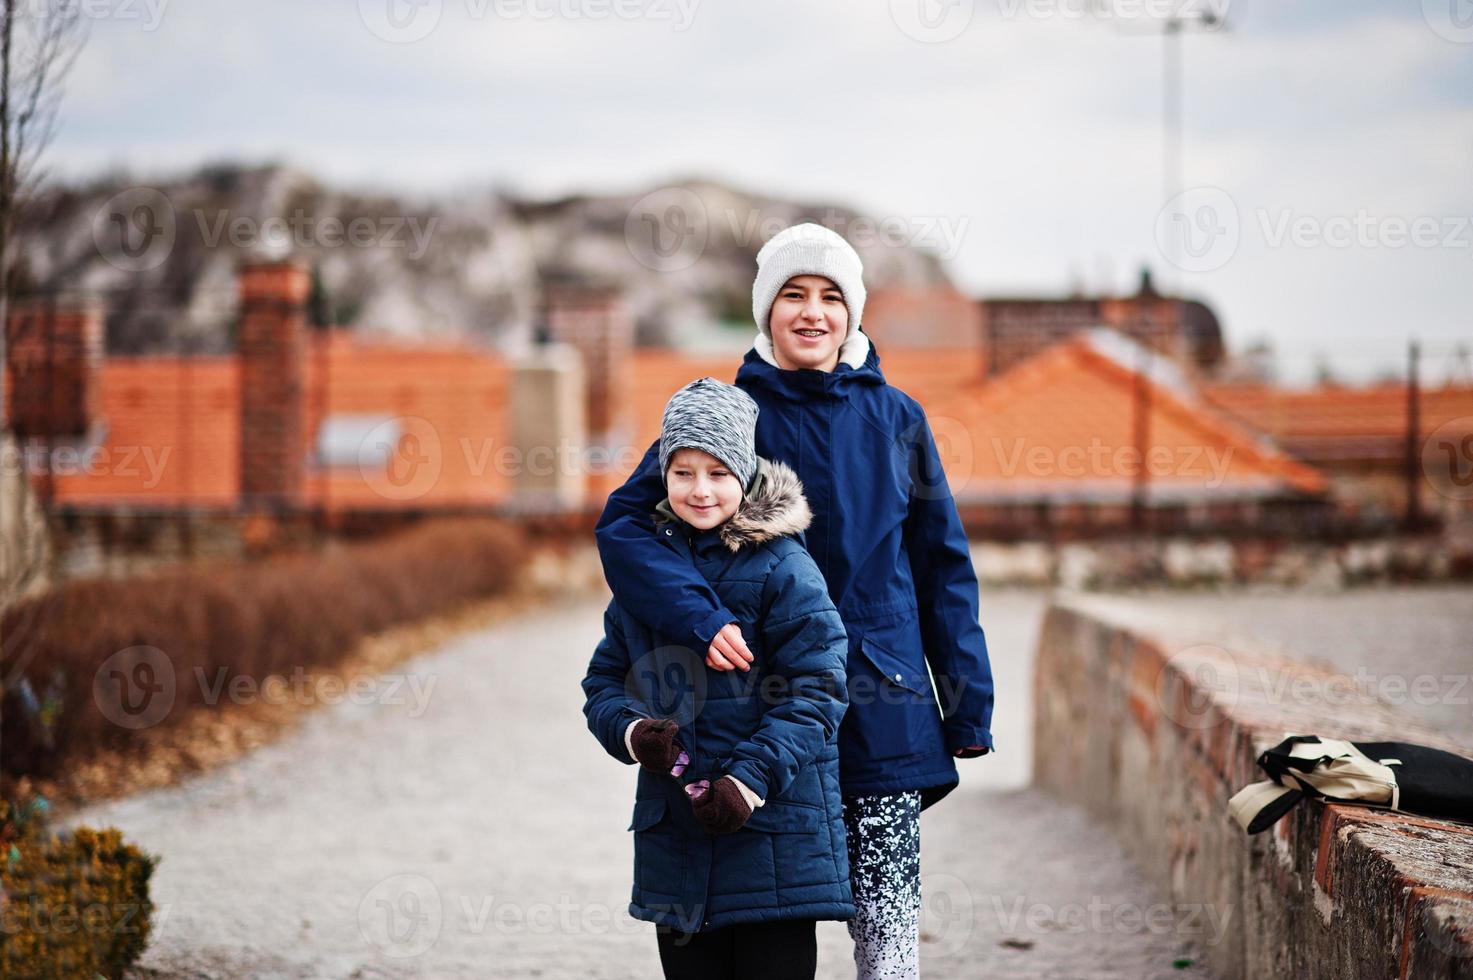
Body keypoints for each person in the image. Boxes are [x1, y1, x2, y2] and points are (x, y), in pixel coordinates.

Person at [595, 222, 996, 978]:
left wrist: (967, 703)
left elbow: (941, 564)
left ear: (852, 314)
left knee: (886, 936)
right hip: (760, 712)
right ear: (764, 310)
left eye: (830, 297)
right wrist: (699, 615)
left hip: (884, 707)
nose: (812, 312)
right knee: (771, 920)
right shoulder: (725, 416)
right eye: (792, 294)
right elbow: (622, 527)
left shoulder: (897, 418)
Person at [582, 377, 854, 980]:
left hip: (772, 838)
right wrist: (631, 733)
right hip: (676, 841)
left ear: (746, 475)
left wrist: (749, 780)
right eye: (683, 473)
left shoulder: (784, 567)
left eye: (718, 472)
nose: (700, 490)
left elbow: (822, 687)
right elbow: (603, 682)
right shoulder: (643, 577)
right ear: (662, 476)